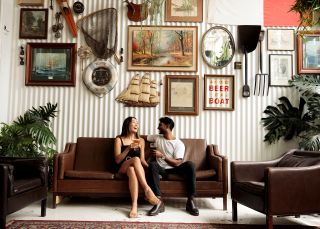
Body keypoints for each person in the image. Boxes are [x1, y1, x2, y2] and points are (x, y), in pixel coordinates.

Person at [147, 117, 199, 216]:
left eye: (160, 125)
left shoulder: (178, 144)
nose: (158, 127)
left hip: (175, 169)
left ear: (167, 126)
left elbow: (177, 163)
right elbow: (142, 137)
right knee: (152, 164)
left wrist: (162, 156)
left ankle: (190, 201)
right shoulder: (157, 137)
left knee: (190, 164)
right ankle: (158, 202)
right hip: (161, 169)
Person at [114, 117, 161, 218]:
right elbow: (117, 160)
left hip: (134, 167)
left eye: (137, 123)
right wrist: (128, 148)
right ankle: (147, 190)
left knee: (132, 169)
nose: (136, 125)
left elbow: (142, 160)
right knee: (135, 159)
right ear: (127, 124)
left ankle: (134, 206)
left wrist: (152, 170)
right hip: (122, 167)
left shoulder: (141, 141)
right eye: (133, 122)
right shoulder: (119, 139)